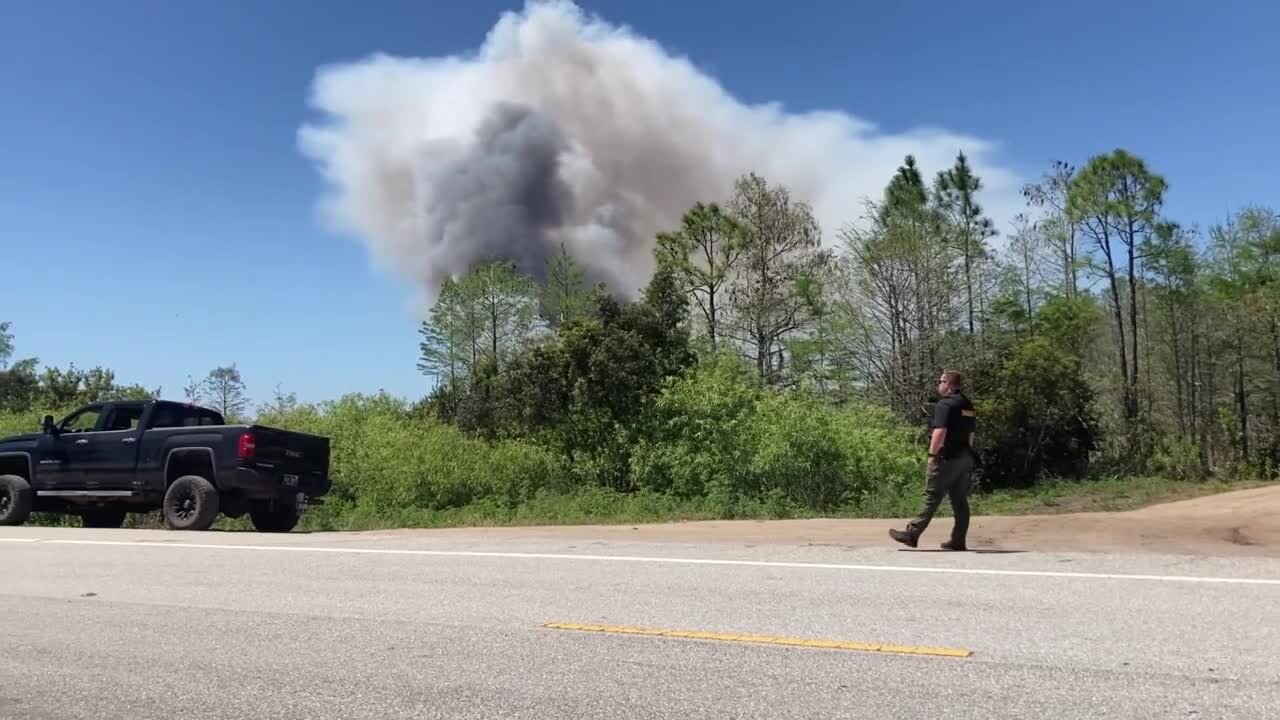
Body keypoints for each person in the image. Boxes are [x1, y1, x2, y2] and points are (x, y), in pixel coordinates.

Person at [890, 370, 977, 551]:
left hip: (948, 458)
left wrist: (932, 455)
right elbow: (971, 434)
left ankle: (912, 534)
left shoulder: (945, 405)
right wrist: (967, 455)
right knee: (959, 500)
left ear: (948, 384)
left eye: (940, 381)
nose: (938, 384)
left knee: (932, 495)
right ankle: (958, 540)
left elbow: (940, 431)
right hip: (966, 458)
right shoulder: (967, 405)